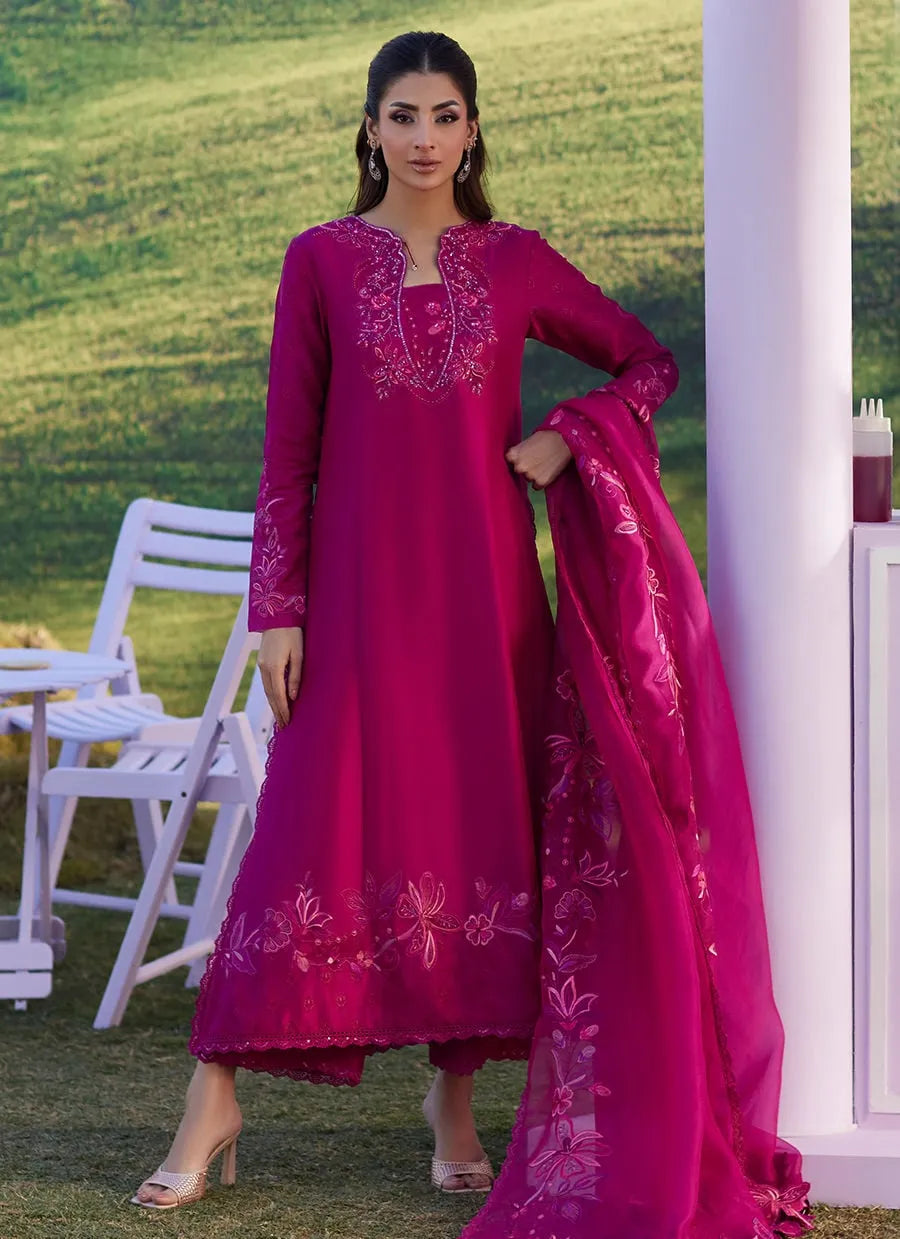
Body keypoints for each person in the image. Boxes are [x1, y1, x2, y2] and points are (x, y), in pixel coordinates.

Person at [133, 28, 815, 1238]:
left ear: (475, 129)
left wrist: (572, 434)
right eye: (403, 116)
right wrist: (276, 610)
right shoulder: (322, 264)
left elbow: (645, 362)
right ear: (367, 129)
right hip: (350, 602)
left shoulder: (514, 262)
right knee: (308, 828)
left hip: (490, 601)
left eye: (447, 116)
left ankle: (454, 1107)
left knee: (478, 834)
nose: (426, 139)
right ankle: (212, 1100)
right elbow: (288, 452)